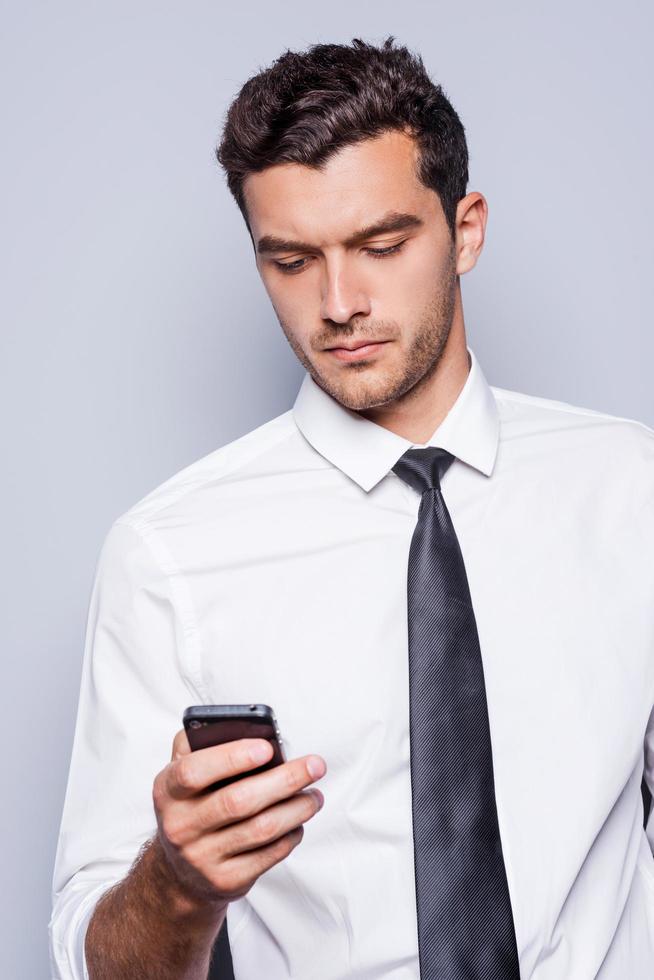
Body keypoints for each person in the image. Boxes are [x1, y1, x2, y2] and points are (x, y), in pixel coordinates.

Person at [49, 34, 654, 980]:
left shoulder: (632, 489)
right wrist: (177, 883)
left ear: (466, 230)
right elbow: (99, 961)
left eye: (381, 245)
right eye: (290, 261)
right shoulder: (168, 554)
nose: (338, 302)